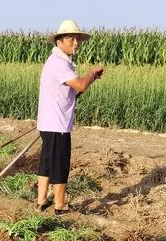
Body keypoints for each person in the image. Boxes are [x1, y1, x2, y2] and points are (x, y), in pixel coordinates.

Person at [36, 19, 104, 215]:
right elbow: (81, 86)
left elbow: (73, 91)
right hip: (57, 124)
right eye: (71, 39)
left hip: (48, 122)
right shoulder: (60, 64)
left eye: (77, 39)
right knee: (60, 163)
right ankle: (59, 205)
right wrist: (91, 73)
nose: (76, 43)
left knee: (47, 160)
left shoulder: (55, 62)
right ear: (59, 41)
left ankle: (41, 200)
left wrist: (89, 79)